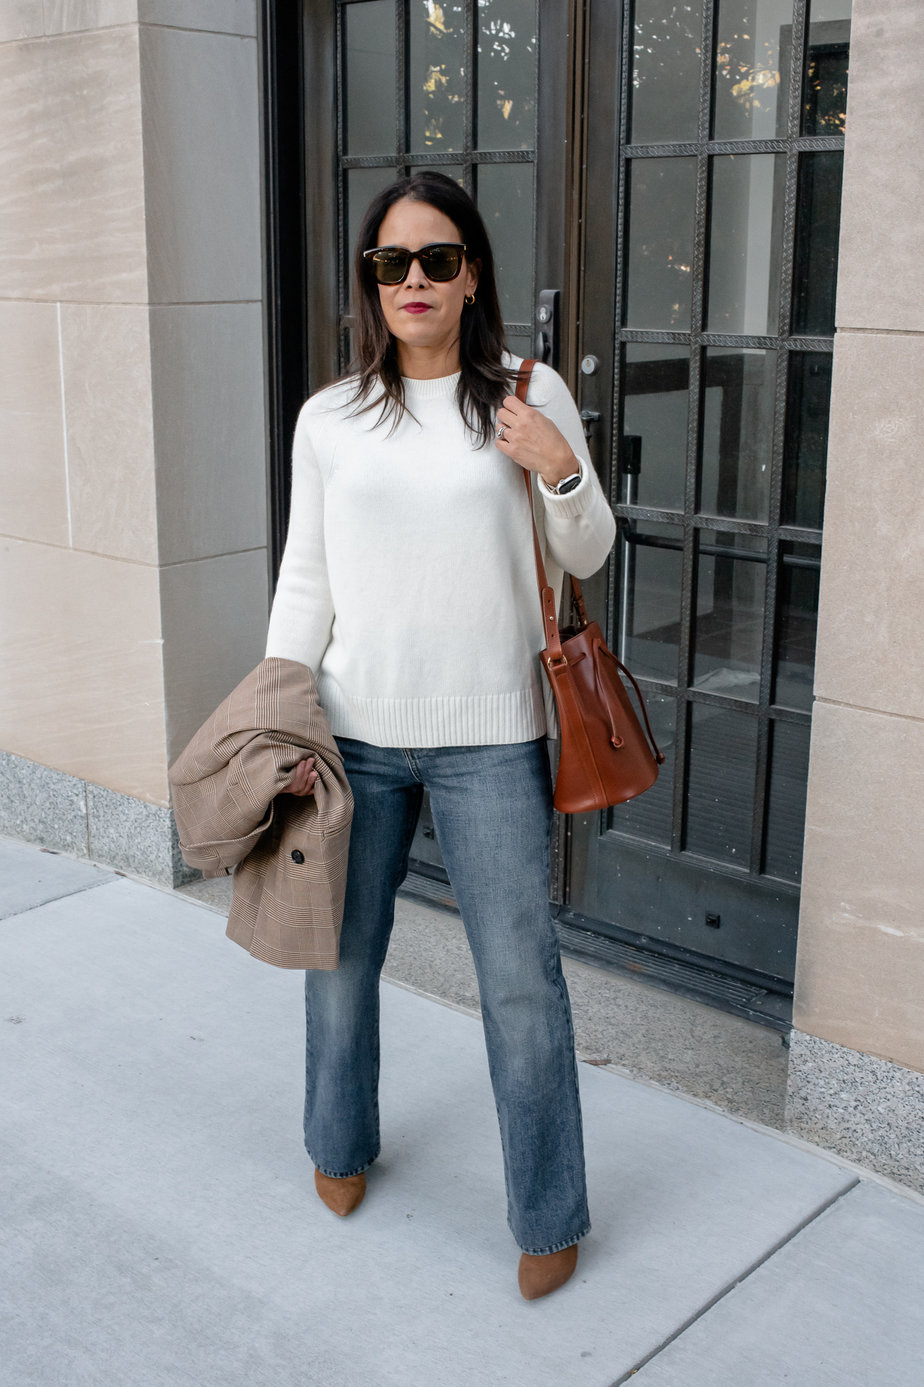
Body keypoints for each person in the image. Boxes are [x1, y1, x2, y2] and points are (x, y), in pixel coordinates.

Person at [264, 170, 616, 1300]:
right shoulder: (330, 417)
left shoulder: (528, 391)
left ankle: (549, 1209)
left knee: (520, 982)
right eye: (390, 263)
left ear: (472, 277)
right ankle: (338, 1141)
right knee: (340, 963)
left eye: (437, 260)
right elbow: (305, 578)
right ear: (369, 283)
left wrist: (554, 464)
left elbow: (591, 548)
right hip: (353, 735)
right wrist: (279, 711)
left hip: (493, 743)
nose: (412, 281)